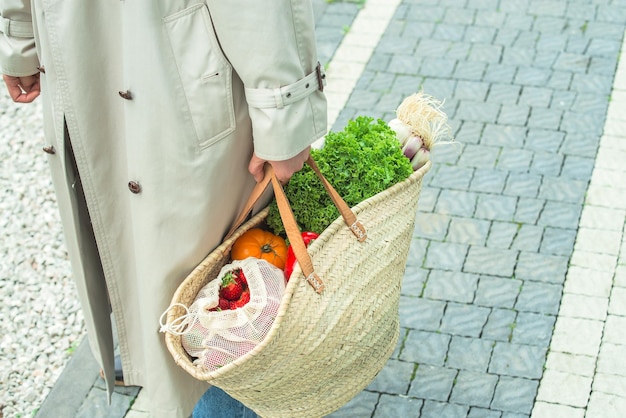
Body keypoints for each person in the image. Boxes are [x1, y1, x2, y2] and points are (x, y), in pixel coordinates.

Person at [0, 1, 327, 417]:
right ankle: (156, 357)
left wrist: (284, 114)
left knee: (207, 277)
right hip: (79, 45)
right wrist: (21, 32)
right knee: (147, 254)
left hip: (174, 62)